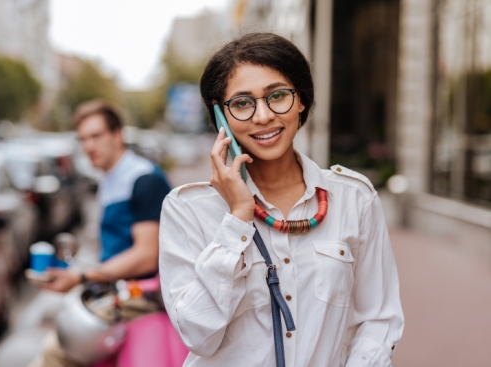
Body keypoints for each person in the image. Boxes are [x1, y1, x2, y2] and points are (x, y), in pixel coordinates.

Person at [159, 33, 404, 367]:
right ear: (221, 117)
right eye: (242, 103)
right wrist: (237, 220)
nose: (263, 116)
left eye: (277, 96)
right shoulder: (187, 208)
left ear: (301, 99)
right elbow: (197, 334)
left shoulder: (353, 197)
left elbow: (377, 319)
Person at [29, 100, 171, 367]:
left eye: (96, 136)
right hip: (115, 292)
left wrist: (80, 277)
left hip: (141, 297)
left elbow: (147, 255)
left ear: (118, 135)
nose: (89, 146)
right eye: (83, 139)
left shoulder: (143, 179)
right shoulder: (110, 177)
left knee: (54, 352)